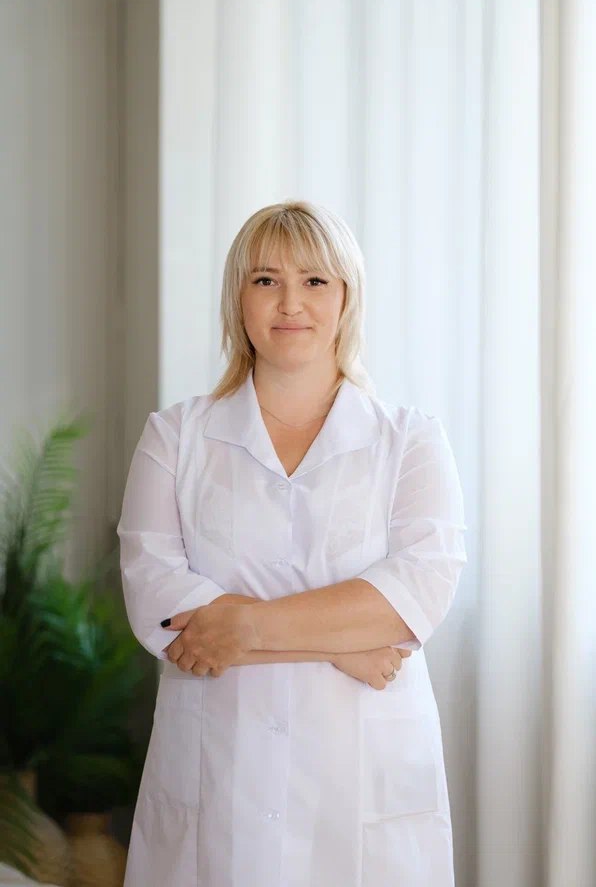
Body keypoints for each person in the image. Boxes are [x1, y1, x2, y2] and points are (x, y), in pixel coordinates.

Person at [116, 200, 468, 886]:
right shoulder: (175, 438)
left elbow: (415, 595)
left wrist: (244, 627)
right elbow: (156, 600)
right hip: (219, 770)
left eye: (314, 280)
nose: (290, 303)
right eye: (265, 279)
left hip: (362, 776)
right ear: (238, 298)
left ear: (347, 297)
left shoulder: (411, 441)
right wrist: (343, 641)